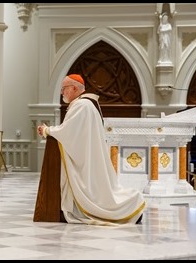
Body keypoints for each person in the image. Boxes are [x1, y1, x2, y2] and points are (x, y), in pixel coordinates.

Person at [37, 74, 145, 225]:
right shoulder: (85, 104)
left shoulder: (82, 105)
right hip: (89, 156)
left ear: (74, 88)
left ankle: (126, 209)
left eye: (64, 89)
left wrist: (47, 130)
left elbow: (67, 132)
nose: (62, 92)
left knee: (97, 195)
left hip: (87, 160)